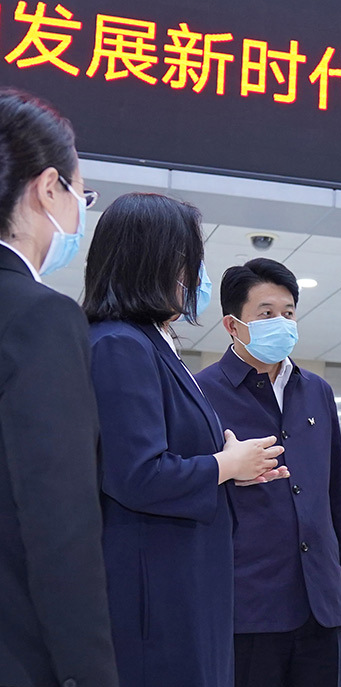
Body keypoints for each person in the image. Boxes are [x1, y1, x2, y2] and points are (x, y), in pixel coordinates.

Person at [83, 193, 286, 687]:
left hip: (180, 581)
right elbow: (138, 474)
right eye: (190, 258)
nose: (197, 274)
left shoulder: (150, 342)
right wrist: (225, 465)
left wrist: (232, 468)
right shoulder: (119, 344)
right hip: (155, 595)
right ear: (155, 261)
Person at [0, 89, 119, 687]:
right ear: (48, 187)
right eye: (81, 195)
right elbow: (59, 522)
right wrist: (88, 672)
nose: (79, 212)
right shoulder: (40, 317)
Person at [194, 257, 341, 687]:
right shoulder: (201, 392)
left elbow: (334, 496)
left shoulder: (317, 391)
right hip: (246, 607)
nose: (281, 323)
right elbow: (188, 489)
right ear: (232, 325)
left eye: (288, 313)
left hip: (321, 605)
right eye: (266, 313)